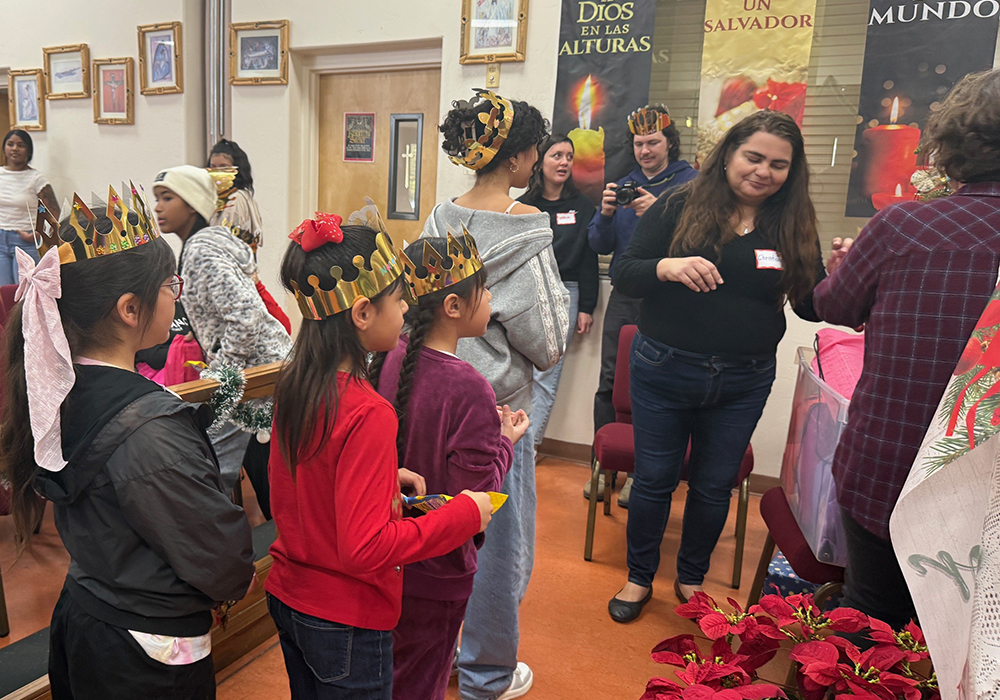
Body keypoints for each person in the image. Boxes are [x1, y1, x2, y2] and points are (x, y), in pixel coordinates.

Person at [0, 186, 254, 698]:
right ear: (130, 309)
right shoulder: (150, 429)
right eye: (170, 285)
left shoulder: (59, 391)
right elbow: (219, 559)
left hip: (87, 614)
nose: (175, 295)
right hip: (147, 651)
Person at [266, 209, 495, 699]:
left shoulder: (298, 384)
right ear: (363, 313)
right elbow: (365, 548)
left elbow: (307, 484)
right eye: (397, 301)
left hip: (289, 595)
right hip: (344, 618)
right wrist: (462, 516)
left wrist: (384, 477)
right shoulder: (369, 411)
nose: (404, 313)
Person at [610, 110, 827, 622]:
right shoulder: (680, 204)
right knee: (655, 478)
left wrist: (838, 277)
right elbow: (626, 274)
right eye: (753, 157)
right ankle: (638, 578)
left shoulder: (792, 221)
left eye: (778, 164)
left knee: (713, 485)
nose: (762, 171)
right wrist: (668, 266)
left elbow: (811, 307)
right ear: (729, 154)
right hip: (664, 368)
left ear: (790, 172)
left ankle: (691, 579)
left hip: (744, 379)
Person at [814, 69, 1000, 629]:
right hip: (986, 484)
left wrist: (848, 268)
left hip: (891, 462)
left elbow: (836, 308)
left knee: (875, 621)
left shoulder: (904, 226)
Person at [426, 89, 566, 700]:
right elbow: (548, 342)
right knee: (497, 541)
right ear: (519, 158)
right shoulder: (527, 234)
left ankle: (443, 653)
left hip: (430, 396)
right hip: (496, 413)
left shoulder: (438, 220)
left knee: (435, 525)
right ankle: (486, 673)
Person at [373, 234, 529, 700]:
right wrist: (505, 441)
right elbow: (477, 499)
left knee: (391, 671)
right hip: (438, 569)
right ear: (455, 306)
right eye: (486, 289)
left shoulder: (391, 358)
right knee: (421, 682)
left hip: (389, 553)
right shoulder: (470, 389)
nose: (493, 300)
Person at [151, 165, 291, 495]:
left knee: (227, 470)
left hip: (257, 376)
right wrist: (202, 334)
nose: (157, 206)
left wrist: (222, 371)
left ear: (192, 204)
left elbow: (246, 315)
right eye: (156, 198)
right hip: (257, 370)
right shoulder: (206, 244)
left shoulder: (200, 251)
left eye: (167, 197)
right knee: (237, 468)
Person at [586, 104, 697, 506]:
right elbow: (599, 245)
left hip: (669, 297)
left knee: (655, 387)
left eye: (653, 142)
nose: (646, 150)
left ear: (670, 142)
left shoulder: (691, 186)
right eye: (639, 143)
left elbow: (701, 244)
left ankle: (642, 471)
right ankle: (602, 468)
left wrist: (661, 214)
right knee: (608, 382)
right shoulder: (623, 183)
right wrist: (604, 212)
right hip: (624, 295)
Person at [206, 148, 289, 520]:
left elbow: (279, 326)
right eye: (214, 166)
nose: (220, 173)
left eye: (227, 167)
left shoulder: (240, 202)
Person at [518, 134, 598, 448]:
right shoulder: (523, 206)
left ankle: (530, 446)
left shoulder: (581, 206)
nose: (564, 162)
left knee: (546, 375)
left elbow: (589, 259)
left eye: (568, 156)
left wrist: (587, 306)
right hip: (527, 290)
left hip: (567, 291)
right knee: (519, 370)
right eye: (557, 155)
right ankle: (510, 443)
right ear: (540, 161)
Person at [0, 129, 60, 284]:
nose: (14, 148)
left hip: (26, 241)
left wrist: (38, 233)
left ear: (28, 151)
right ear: (4, 148)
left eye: (20, 145)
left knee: (25, 295)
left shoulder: (36, 179)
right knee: (4, 294)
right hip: (0, 240)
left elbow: (55, 215)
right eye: (10, 144)